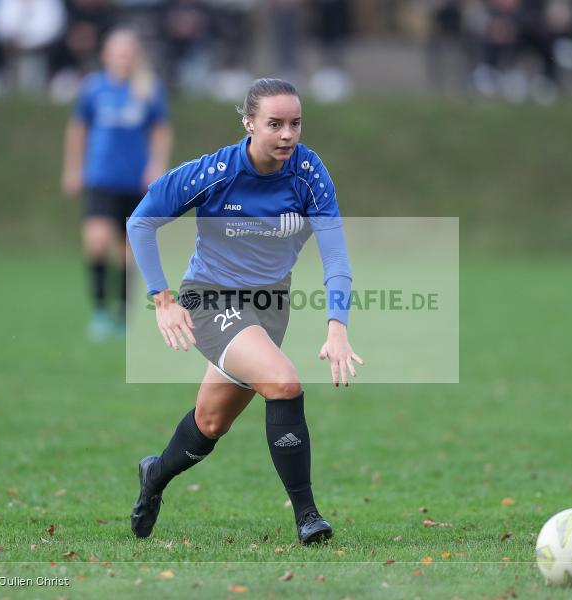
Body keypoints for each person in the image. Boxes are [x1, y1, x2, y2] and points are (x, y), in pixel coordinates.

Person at [126, 78, 363, 544]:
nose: (287, 134)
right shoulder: (214, 172)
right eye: (274, 124)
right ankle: (308, 516)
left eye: (295, 123)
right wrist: (163, 299)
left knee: (210, 423)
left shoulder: (309, 174)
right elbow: (141, 221)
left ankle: (154, 474)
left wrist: (338, 327)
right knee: (284, 383)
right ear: (249, 122)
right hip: (210, 298)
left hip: (269, 308)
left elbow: (336, 256)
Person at [62, 28, 172, 341]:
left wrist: (157, 165)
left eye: (128, 52)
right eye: (117, 52)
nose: (123, 58)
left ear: (136, 56)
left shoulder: (148, 88)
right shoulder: (93, 89)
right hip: (100, 179)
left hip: (135, 182)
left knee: (128, 253)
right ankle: (99, 311)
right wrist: (73, 169)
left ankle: (124, 314)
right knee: (96, 241)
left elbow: (161, 129)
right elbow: (78, 129)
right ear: (106, 55)